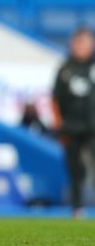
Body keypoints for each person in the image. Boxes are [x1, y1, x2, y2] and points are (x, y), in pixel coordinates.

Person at [52, 28, 95, 218]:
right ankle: (77, 208)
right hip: (71, 128)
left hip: (93, 127)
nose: (81, 47)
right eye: (78, 42)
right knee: (74, 169)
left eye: (85, 42)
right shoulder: (65, 68)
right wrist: (59, 124)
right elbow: (55, 99)